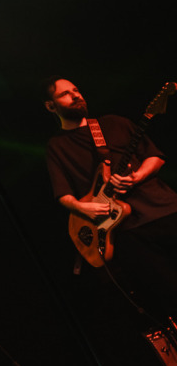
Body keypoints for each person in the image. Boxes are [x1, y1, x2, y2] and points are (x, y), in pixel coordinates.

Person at [42, 76, 177, 324]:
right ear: (51, 106)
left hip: (165, 209)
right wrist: (84, 208)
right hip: (126, 230)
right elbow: (63, 194)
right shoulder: (57, 146)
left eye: (76, 89)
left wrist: (137, 177)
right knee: (169, 291)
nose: (76, 95)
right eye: (65, 94)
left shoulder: (114, 123)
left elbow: (155, 157)